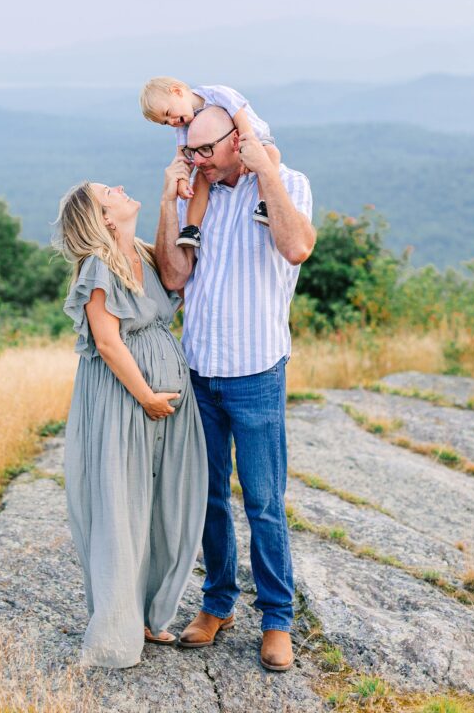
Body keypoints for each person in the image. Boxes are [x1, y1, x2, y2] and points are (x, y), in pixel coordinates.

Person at [154, 107, 315, 673]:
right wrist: (167, 198)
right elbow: (173, 276)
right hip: (199, 369)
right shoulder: (196, 193)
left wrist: (263, 171)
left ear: (236, 141)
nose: (195, 160)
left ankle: (276, 619)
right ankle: (217, 603)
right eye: (190, 151)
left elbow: (296, 249)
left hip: (256, 373)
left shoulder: (287, 183)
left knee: (265, 503)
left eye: (204, 151)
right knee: (209, 498)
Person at [56, 181, 207, 669]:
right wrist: (145, 397)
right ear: (104, 217)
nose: (120, 188)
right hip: (127, 402)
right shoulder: (100, 267)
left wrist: (189, 186)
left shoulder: (140, 252)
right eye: (109, 191)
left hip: (161, 405)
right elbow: (107, 341)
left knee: (163, 502)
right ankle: (116, 630)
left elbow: (184, 264)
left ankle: (147, 612)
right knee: (124, 503)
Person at [140, 77, 280, 248]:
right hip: (225, 155)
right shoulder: (183, 126)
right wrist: (183, 180)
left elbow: (243, 123)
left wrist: (247, 152)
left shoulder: (217, 94)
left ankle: (265, 203)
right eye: (165, 122)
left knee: (271, 154)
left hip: (254, 139)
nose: (171, 122)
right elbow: (182, 158)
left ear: (177, 91)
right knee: (200, 178)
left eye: (168, 113)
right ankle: (192, 229)